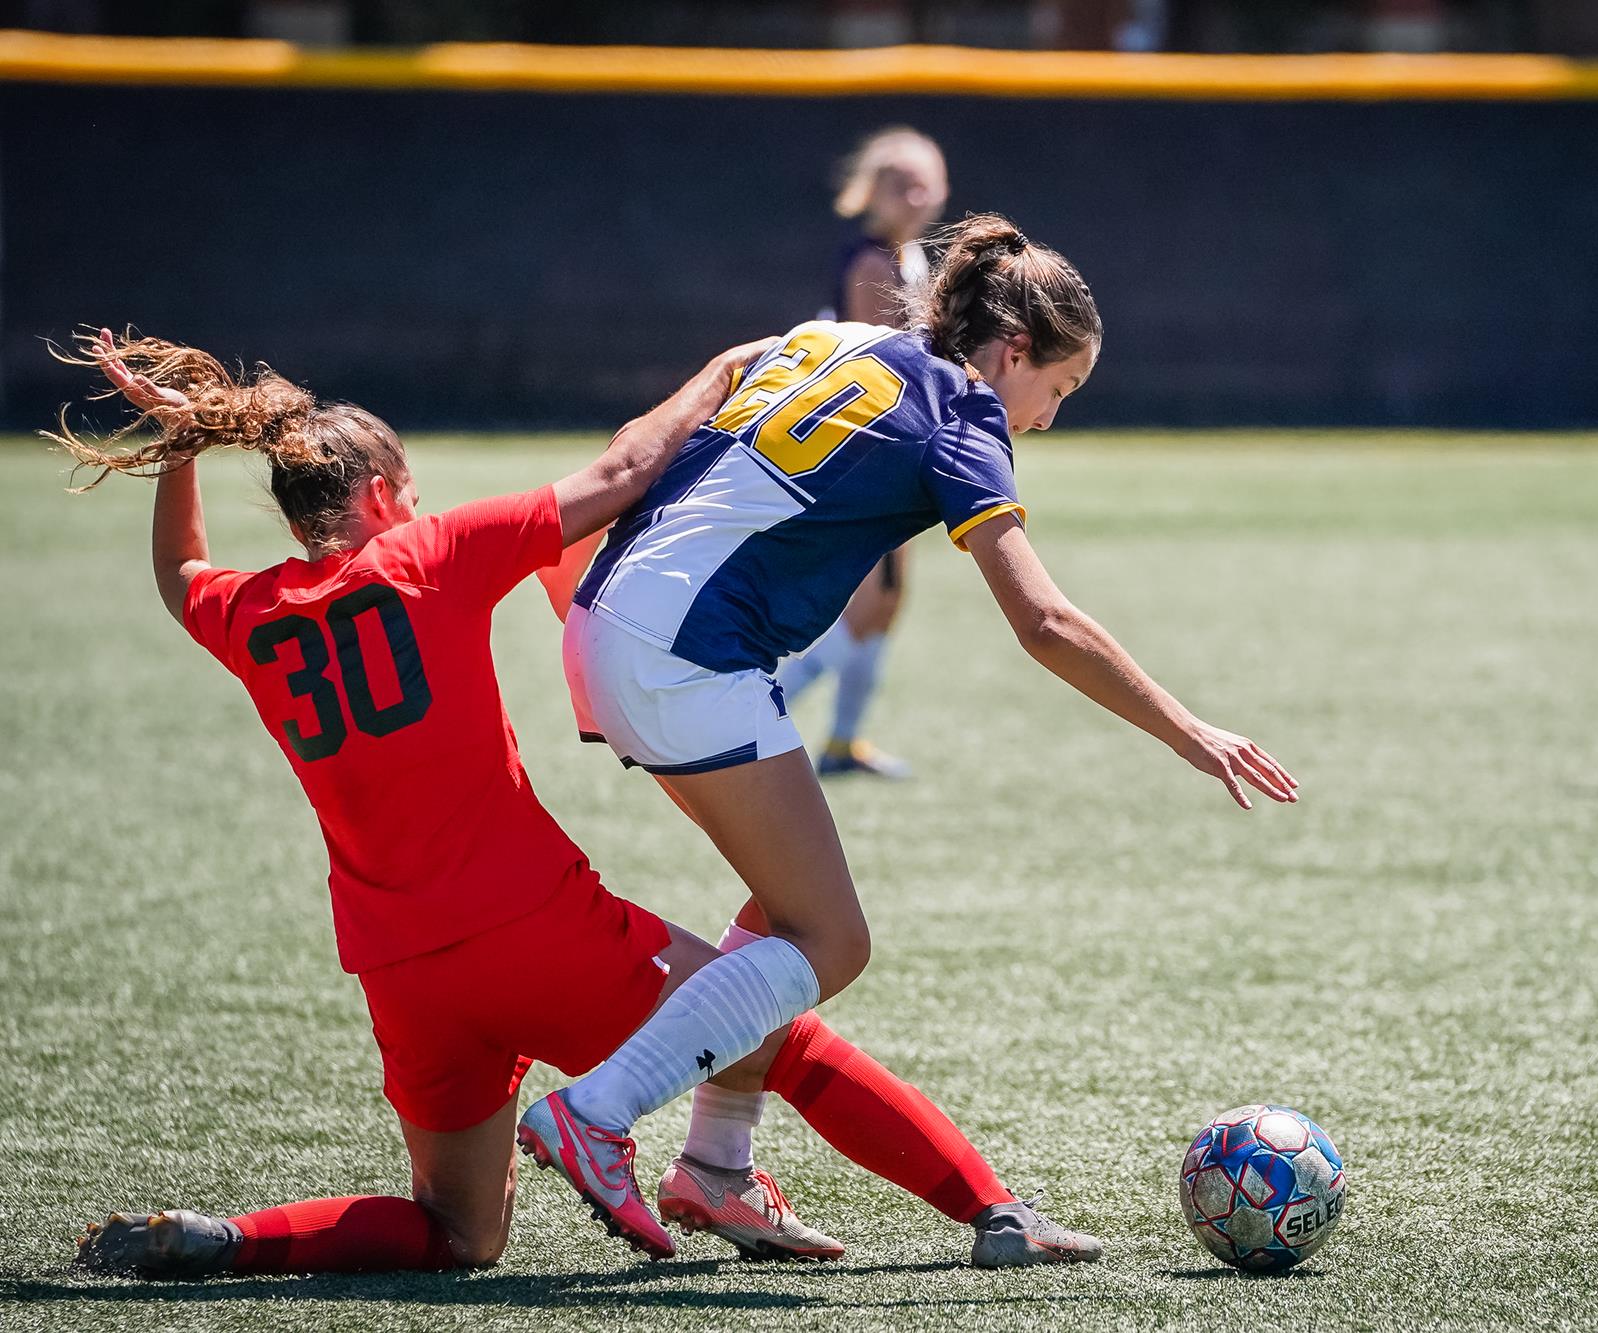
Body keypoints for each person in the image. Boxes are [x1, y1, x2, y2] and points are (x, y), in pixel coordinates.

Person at [55, 329, 1091, 1278]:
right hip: (533, 927)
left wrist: (180, 447)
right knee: (779, 1027)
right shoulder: (426, 555)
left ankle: (228, 1239)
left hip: (400, 970)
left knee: (460, 1232)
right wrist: (719, 374)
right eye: (408, 490)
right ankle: (993, 1206)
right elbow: (621, 474)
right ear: (381, 491)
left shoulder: (247, 611)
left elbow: (180, 569)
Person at [525, 215, 1300, 1246]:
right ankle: (596, 1113)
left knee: (783, 902)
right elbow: (1045, 622)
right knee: (831, 940)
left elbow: (725, 369)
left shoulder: (834, 338)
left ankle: (715, 1166)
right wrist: (1186, 728)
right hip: (683, 655)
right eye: (1059, 389)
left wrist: (590, 519)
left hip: (612, 618)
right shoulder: (965, 415)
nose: (1047, 419)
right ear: (1012, 350)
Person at [780, 126, 952, 779]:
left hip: (899, 452)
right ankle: (745, 714)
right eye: (901, 183)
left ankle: (844, 742)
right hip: (865, 453)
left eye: (925, 182)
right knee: (865, 604)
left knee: (885, 602)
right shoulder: (873, 265)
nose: (917, 195)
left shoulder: (912, 258)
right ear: (871, 191)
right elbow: (882, 373)